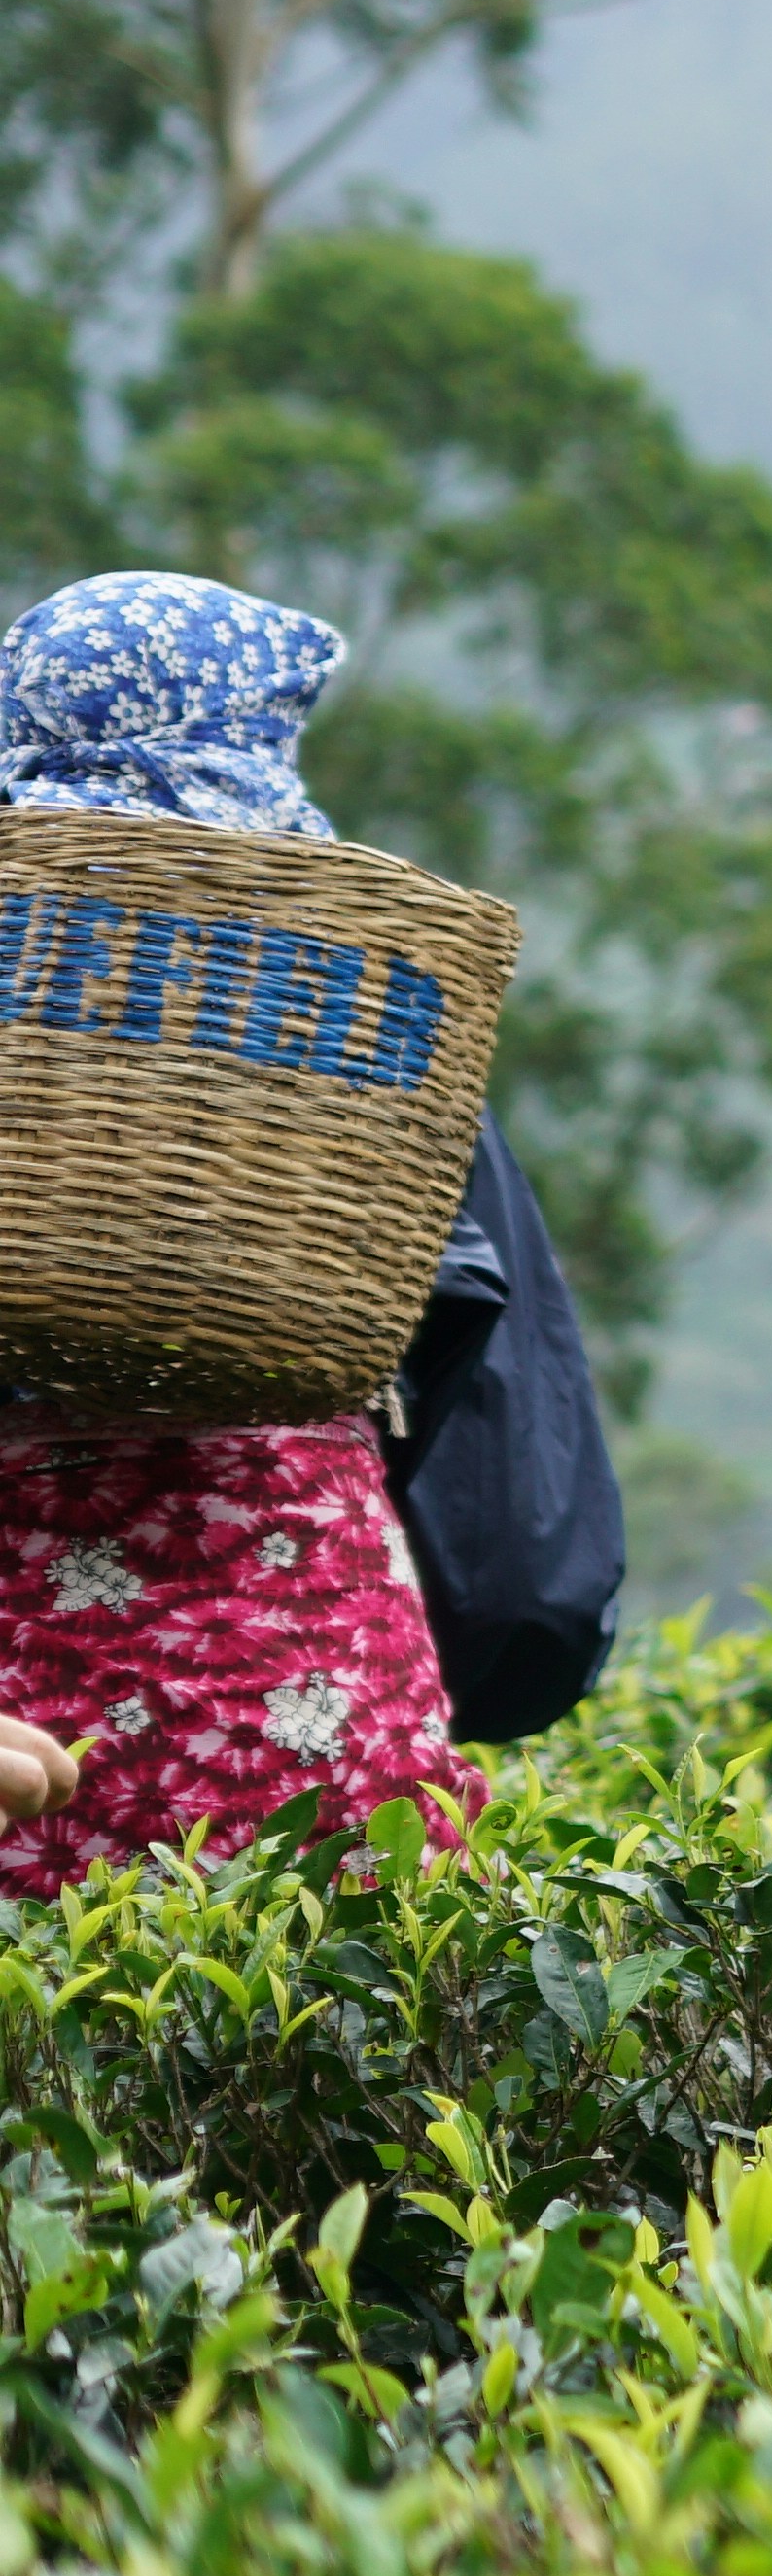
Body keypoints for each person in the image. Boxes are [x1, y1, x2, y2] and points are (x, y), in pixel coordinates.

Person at [0, 575, 491, 1907]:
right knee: (309, 2042)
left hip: (29, 1619)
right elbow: (458, 1310)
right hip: (303, 1628)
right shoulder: (360, 992)